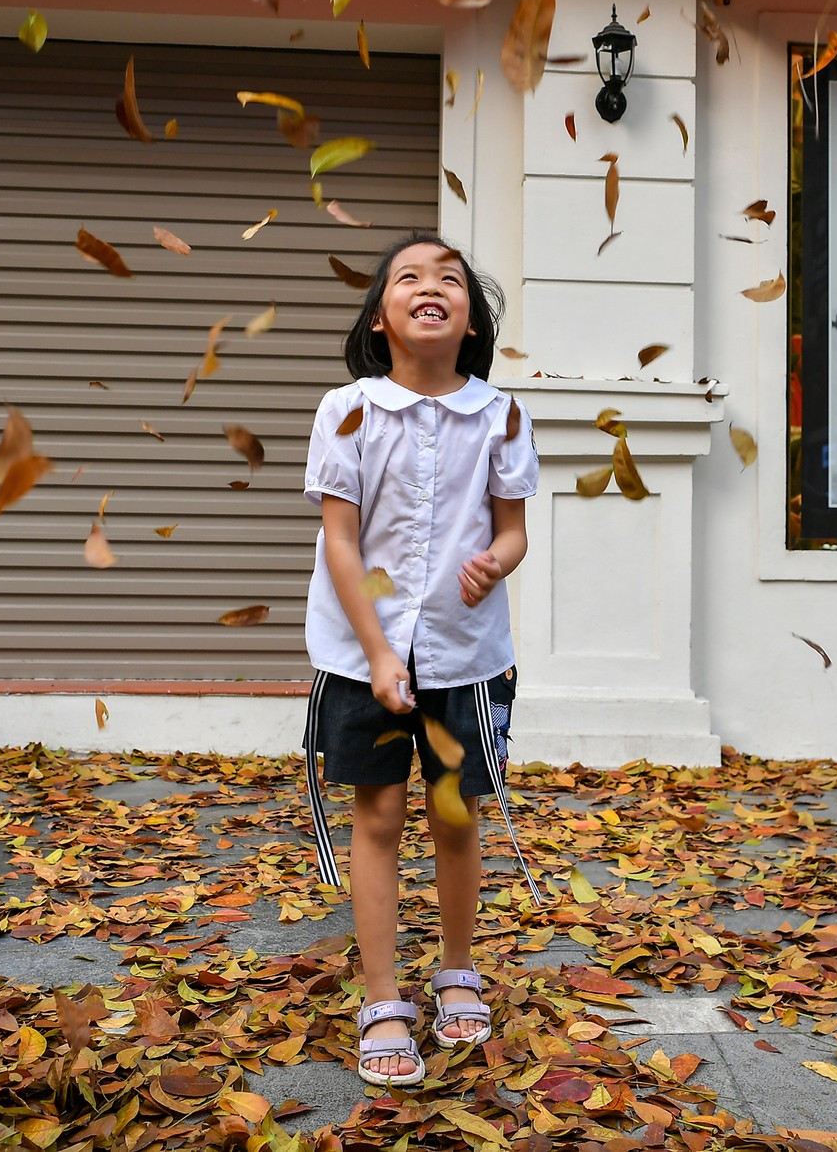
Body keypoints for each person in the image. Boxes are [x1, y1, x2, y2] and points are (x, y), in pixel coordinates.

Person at [300, 234, 539, 1087]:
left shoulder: (501, 414)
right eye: (409, 277)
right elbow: (340, 539)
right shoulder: (347, 409)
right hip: (363, 652)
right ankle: (381, 995)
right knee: (378, 815)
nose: (431, 286)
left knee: (454, 813)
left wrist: (497, 562)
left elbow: (511, 531)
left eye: (450, 279)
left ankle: (457, 970)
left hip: (466, 657)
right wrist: (375, 652)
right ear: (381, 317)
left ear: (471, 322)